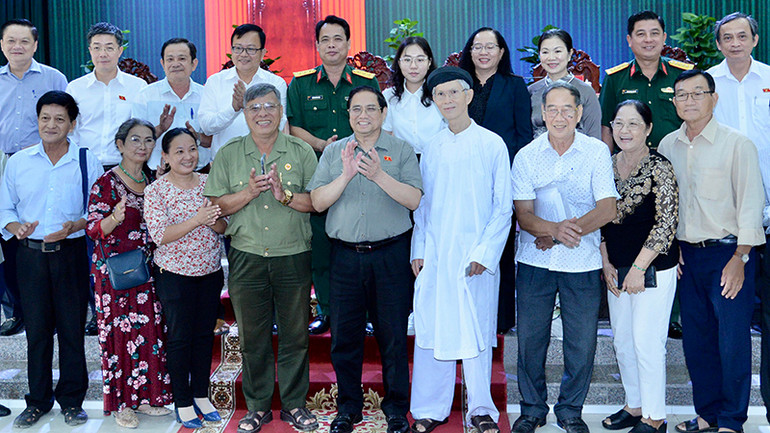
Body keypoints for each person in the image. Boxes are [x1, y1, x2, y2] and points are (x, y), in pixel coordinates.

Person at [204, 83, 319, 433]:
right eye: (255, 107)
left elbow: (315, 202)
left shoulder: (301, 152)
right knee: (252, 337)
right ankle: (257, 407)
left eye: (270, 106)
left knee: (294, 334)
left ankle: (295, 405)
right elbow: (216, 206)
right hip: (247, 255)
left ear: (281, 112)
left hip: (292, 255)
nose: (263, 113)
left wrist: (284, 196)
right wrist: (249, 192)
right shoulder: (228, 153)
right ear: (245, 113)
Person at [308, 85, 421, 433]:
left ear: (383, 113)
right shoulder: (334, 153)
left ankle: (397, 408)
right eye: (356, 109)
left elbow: (414, 200)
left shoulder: (401, 150)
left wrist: (377, 175)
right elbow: (317, 202)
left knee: (392, 335)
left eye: (371, 108)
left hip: (390, 256)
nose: (363, 116)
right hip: (344, 257)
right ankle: (348, 407)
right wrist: (346, 174)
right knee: (345, 337)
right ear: (349, 114)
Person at [658, 69, 765, 433]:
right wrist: (672, 246)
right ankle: (707, 414)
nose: (689, 100)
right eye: (681, 95)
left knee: (732, 341)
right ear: (673, 102)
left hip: (730, 254)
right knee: (697, 341)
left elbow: (751, 204)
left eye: (697, 93)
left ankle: (732, 420)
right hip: (687, 258)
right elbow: (666, 205)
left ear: (713, 98)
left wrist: (741, 257)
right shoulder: (668, 145)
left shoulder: (738, 144)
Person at [409, 66, 512, 433]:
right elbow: (422, 205)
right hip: (437, 253)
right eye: (440, 95)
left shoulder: (491, 144)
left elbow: (504, 206)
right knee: (432, 328)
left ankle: (481, 408)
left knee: (476, 331)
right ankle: (428, 408)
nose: (447, 100)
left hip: (475, 258)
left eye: (454, 93)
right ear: (433, 101)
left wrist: (484, 255)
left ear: (468, 95)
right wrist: (419, 248)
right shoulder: (432, 148)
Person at [511, 81, 617, 433]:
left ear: (579, 113)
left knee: (581, 342)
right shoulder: (526, 155)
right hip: (534, 262)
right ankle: (532, 409)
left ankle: (571, 410)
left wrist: (564, 232)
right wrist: (553, 231)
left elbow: (607, 208)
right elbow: (523, 214)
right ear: (542, 114)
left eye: (566, 109)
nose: (559, 116)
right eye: (552, 109)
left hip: (582, 263)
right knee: (530, 340)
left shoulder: (596, 152)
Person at [0, 90, 103, 428]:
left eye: (60, 118)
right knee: (38, 333)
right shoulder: (19, 161)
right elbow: (4, 208)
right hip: (29, 256)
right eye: (45, 117)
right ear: (38, 120)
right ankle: (37, 401)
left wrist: (77, 224)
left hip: (71, 254)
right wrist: (17, 227)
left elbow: (96, 211)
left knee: (72, 330)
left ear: (72, 124)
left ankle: (73, 401)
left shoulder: (88, 160)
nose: (51, 124)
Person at [287, 15, 380, 335]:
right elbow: (293, 127)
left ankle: (366, 315)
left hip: (362, 175)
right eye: (325, 40)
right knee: (323, 249)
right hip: (319, 176)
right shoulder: (299, 84)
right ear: (316, 45)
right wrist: (320, 144)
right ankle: (326, 311)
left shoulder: (367, 82)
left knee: (363, 246)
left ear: (348, 44)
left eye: (338, 39)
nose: (331, 45)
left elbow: (376, 121)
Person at [86, 118, 173, 428]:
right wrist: (114, 217)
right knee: (119, 336)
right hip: (114, 273)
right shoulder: (106, 182)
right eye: (135, 140)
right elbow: (94, 229)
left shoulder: (153, 180)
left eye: (149, 140)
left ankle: (148, 397)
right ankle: (122, 403)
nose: (142, 146)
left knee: (150, 332)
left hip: (148, 270)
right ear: (120, 145)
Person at [706, 12, 770, 423]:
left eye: (741, 36)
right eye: (726, 38)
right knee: (728, 327)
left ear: (755, 39)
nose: (734, 43)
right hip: (727, 223)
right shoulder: (707, 85)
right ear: (718, 44)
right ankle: (730, 415)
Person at [600, 100, 678, 433]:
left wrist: (637, 268)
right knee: (623, 340)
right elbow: (601, 219)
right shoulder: (605, 164)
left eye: (633, 124)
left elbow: (666, 224)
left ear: (647, 129)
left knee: (647, 342)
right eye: (619, 123)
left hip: (653, 268)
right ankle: (634, 405)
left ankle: (655, 416)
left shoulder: (661, 166)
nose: (625, 131)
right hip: (615, 268)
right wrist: (605, 262)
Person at [143, 127, 226, 429]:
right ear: (164, 156)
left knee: (204, 335)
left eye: (192, 149)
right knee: (179, 338)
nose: (188, 156)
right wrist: (198, 219)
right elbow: (160, 235)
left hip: (210, 272)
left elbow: (223, 227)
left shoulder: (209, 182)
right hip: (174, 275)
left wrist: (214, 221)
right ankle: (182, 400)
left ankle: (201, 394)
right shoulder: (156, 190)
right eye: (179, 151)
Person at [459, 26, 532, 334]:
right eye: (478, 46)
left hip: (502, 178)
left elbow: (523, 136)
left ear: (502, 52)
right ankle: (462, 311)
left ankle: (501, 319)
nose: (484, 52)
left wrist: (510, 175)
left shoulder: (515, 86)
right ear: (469, 51)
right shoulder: (457, 84)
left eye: (491, 47)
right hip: (461, 179)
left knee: (500, 247)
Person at [0, 18, 67, 337]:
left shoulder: (54, 78)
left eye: (24, 41)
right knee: (7, 237)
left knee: (44, 234)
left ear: (35, 45)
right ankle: (17, 311)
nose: (17, 47)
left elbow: (66, 123)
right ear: (2, 45)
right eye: (11, 41)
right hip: (2, 162)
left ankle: (54, 310)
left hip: (43, 162)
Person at [600, 10, 693, 150]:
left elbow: (695, 119)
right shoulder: (615, 78)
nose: (648, 39)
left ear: (664, 38)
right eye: (641, 34)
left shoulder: (683, 74)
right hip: (630, 160)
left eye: (654, 33)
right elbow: (606, 127)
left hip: (675, 157)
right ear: (629, 40)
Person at [67, 22, 148, 168]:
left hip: (124, 167)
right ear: (90, 50)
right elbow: (71, 131)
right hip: (83, 165)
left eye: (109, 48)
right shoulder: (75, 88)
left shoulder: (137, 86)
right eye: (97, 48)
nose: (102, 54)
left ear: (120, 50)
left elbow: (141, 130)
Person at [198, 24, 287, 157]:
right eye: (238, 48)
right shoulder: (215, 82)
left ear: (262, 53)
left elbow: (279, 123)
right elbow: (206, 126)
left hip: (263, 161)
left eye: (251, 49)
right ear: (231, 51)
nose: (243, 54)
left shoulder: (275, 83)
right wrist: (233, 109)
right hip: (225, 163)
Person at [133, 37, 212, 172]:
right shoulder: (145, 95)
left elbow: (216, 139)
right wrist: (160, 129)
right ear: (162, 64)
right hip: (158, 174)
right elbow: (135, 141)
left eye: (182, 59)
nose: (175, 64)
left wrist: (197, 137)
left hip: (200, 174)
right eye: (170, 59)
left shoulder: (207, 95)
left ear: (194, 63)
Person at [528, 29, 601, 140]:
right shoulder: (531, 91)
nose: (551, 58)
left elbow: (594, 136)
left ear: (569, 54)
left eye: (557, 51)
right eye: (545, 52)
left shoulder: (586, 91)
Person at [382, 36, 444, 156]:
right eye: (407, 60)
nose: (413, 66)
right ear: (399, 62)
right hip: (403, 163)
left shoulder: (441, 94)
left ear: (429, 62)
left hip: (438, 160)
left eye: (420, 60)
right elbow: (386, 135)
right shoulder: (389, 96)